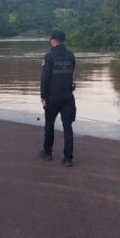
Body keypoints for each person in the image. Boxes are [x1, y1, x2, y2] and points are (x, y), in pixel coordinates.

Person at [39, 30, 76, 167]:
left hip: (52, 97)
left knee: (49, 125)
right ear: (64, 41)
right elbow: (71, 72)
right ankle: (68, 158)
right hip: (68, 96)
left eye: (51, 39)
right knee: (68, 127)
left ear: (54, 40)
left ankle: (47, 153)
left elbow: (44, 79)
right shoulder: (71, 56)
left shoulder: (49, 57)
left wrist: (43, 95)